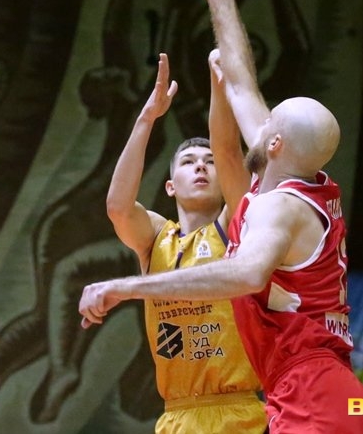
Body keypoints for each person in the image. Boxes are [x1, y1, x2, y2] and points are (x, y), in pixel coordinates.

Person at [79, 0, 363, 434]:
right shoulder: (293, 173)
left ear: (274, 142)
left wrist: (126, 286)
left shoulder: (276, 207)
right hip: (314, 389)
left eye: (269, 122)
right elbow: (241, 82)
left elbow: (245, 274)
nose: (258, 121)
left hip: (307, 392)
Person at [104, 50, 266, 433]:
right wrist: (146, 118)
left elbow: (229, 151)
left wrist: (218, 81)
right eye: (189, 161)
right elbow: (117, 207)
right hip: (177, 416)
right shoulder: (156, 238)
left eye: (208, 162)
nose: (201, 166)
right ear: (170, 185)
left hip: (239, 412)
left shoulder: (237, 226)